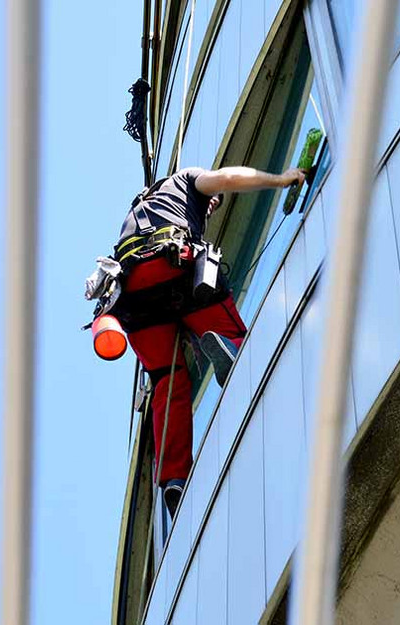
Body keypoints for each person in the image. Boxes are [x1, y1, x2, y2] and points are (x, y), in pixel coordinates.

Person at [111, 165, 305, 516]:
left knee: (168, 381)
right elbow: (229, 177)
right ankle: (228, 346)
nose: (212, 204)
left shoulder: (138, 211)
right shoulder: (187, 179)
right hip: (172, 266)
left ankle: (174, 479)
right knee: (219, 313)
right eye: (211, 201)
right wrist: (281, 179)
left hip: (132, 301)